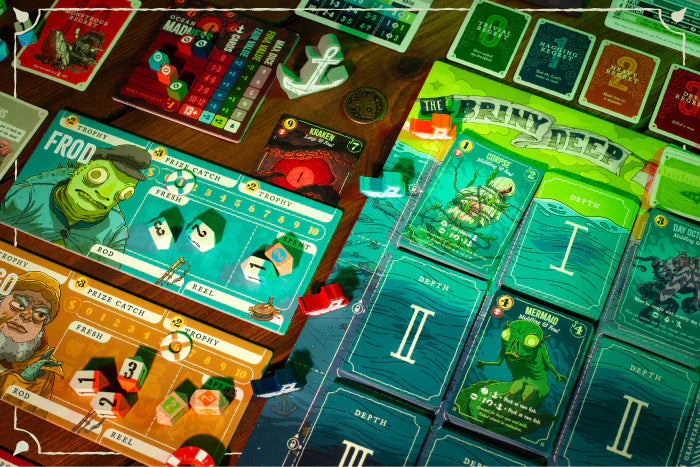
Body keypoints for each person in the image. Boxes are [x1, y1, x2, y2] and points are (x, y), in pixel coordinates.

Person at [0, 144, 151, 255]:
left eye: (124, 193)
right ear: (79, 168)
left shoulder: (115, 231)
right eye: (97, 175)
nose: (104, 194)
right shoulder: (28, 195)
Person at [0, 271, 63, 399]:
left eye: (40, 315)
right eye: (18, 304)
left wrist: (23, 382)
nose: (26, 316)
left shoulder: (43, 369)